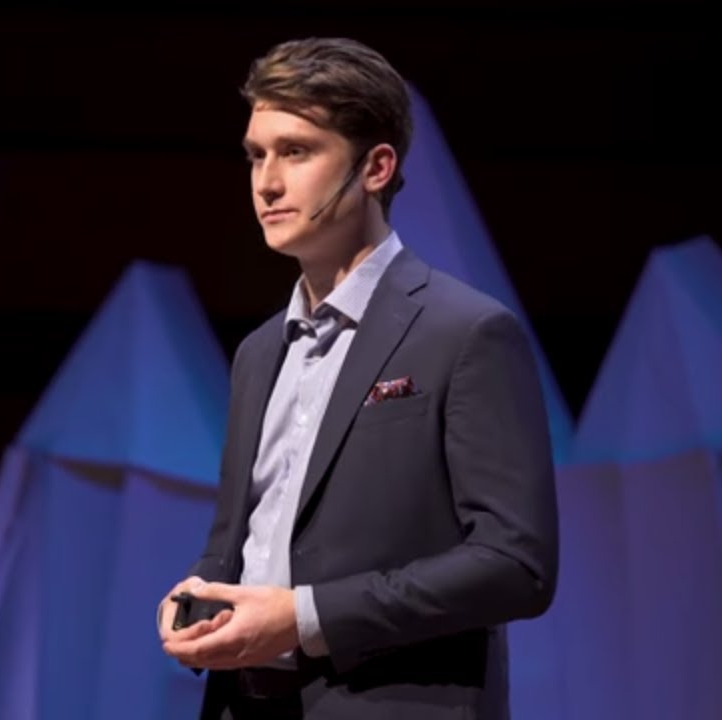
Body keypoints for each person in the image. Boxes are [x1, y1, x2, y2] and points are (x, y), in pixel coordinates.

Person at [158, 37, 558, 719]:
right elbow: (239, 543)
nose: (266, 182)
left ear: (376, 167)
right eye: (256, 155)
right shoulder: (259, 352)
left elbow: (517, 565)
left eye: (296, 151)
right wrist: (198, 596)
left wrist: (305, 617)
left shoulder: (465, 332)